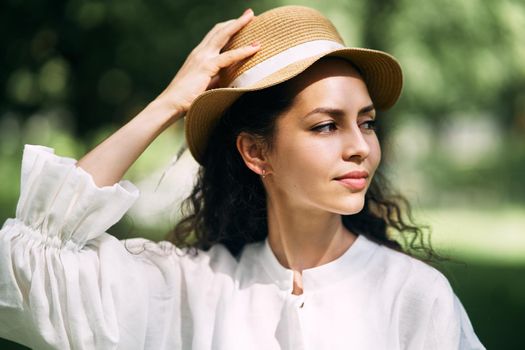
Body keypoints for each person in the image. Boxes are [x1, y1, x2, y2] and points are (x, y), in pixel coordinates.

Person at [0, 5, 485, 350]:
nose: (360, 145)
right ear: (256, 152)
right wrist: (169, 104)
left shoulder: (414, 296)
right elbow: (31, 259)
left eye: (367, 121)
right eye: (326, 125)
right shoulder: (190, 290)